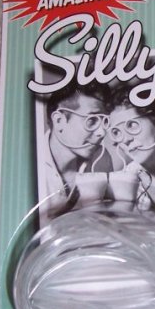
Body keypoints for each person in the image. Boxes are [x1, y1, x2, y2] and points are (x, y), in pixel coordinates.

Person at [43, 79, 114, 216]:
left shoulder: (102, 159)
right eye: (92, 120)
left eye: (105, 121)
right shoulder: (29, 165)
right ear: (59, 121)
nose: (102, 132)